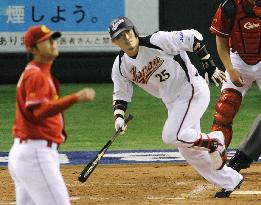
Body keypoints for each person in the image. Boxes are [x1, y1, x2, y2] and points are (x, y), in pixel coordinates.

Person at [108, 16, 243, 198]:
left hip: (192, 90)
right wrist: (118, 118)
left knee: (171, 135)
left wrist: (209, 64)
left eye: (128, 32)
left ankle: (215, 141)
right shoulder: (120, 66)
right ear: (114, 42)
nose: (126, 38)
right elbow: (121, 95)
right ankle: (230, 180)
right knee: (188, 150)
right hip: (173, 102)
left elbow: (193, 37)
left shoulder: (157, 41)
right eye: (120, 36)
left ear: (135, 31)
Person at [8, 25, 95, 205]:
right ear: (33, 49)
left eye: (52, 39)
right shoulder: (36, 74)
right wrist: (75, 98)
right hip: (36, 155)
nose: (52, 43)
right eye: (45, 41)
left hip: (29, 153)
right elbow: (40, 111)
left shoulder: (40, 73)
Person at [209, 0, 261, 148]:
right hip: (238, 60)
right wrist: (230, 69)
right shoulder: (229, 7)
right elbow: (221, 40)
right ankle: (217, 156)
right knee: (225, 109)